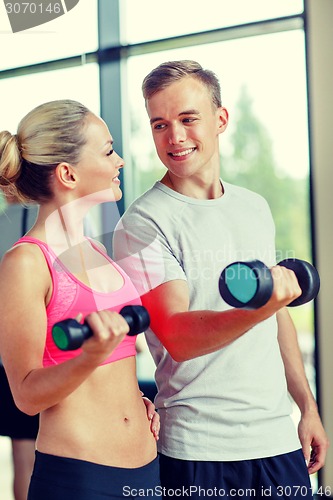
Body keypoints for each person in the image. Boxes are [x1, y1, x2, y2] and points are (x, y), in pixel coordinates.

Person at [113, 60, 329, 498]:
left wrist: (307, 407)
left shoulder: (254, 206)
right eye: (160, 124)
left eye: (188, 119)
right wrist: (263, 306)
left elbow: (278, 317)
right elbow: (179, 336)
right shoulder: (142, 223)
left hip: (277, 441)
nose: (174, 137)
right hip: (199, 450)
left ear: (221, 119)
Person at [0, 99, 160, 500]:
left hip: (145, 470)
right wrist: (88, 356)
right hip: (80, 479)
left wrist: (131, 400)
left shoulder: (99, 251)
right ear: (68, 173)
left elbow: (113, 365)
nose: (119, 160)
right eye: (107, 150)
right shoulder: (27, 262)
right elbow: (26, 396)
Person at [0, 193, 39, 500]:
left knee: (23, 459)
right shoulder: (47, 223)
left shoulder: (3, 223)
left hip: (6, 361)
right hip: (39, 361)